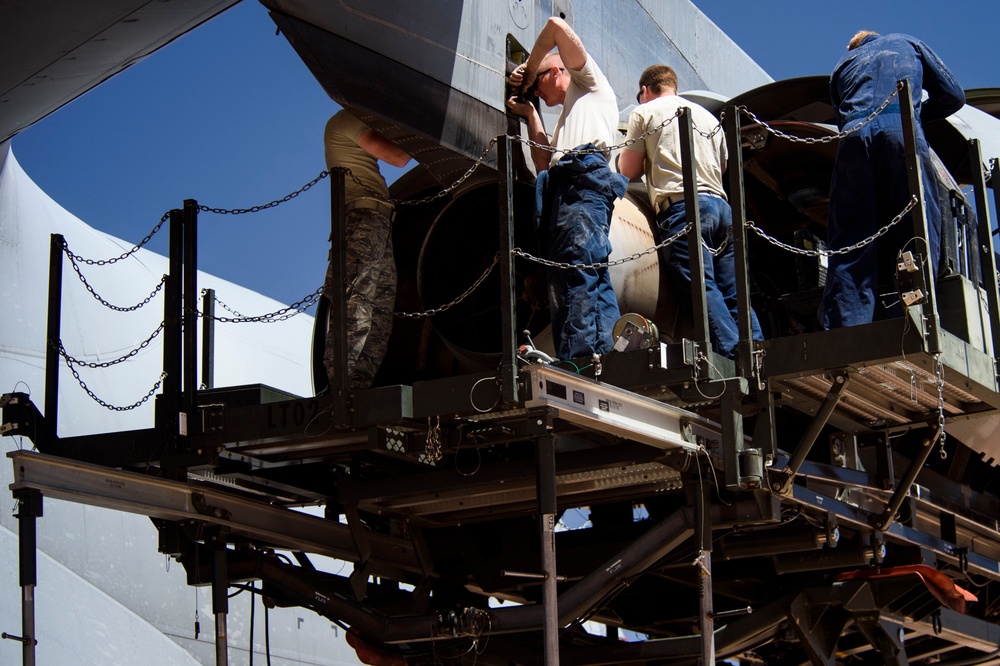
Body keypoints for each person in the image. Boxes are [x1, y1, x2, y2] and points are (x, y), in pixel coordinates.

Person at [820, 31, 965, 329]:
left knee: (852, 238)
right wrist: (917, 116)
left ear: (855, 47)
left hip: (854, 137)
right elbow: (954, 95)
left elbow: (840, 118)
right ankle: (912, 319)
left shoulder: (841, 65)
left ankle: (848, 329)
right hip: (902, 130)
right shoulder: (908, 43)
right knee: (916, 229)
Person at [618, 64, 763, 359]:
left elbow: (627, 171)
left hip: (684, 208)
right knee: (735, 292)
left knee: (700, 286)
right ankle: (759, 350)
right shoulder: (709, 118)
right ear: (674, 87)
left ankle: (734, 355)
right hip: (721, 208)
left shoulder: (644, 112)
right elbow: (722, 167)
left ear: (645, 91)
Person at [505, 16, 627, 360]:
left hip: (580, 184)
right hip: (565, 186)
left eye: (538, 84)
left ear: (557, 71)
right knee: (588, 273)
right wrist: (530, 114)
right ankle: (605, 355)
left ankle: (578, 359)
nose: (538, 93)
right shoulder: (569, 120)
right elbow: (543, 164)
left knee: (575, 271)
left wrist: (527, 69)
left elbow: (554, 26)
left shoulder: (590, 84)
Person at [323, 108, 411, 390]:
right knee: (356, 307)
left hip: (377, 221)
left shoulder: (356, 119)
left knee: (379, 315)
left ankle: (358, 387)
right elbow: (398, 157)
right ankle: (340, 387)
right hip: (362, 221)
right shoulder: (348, 119)